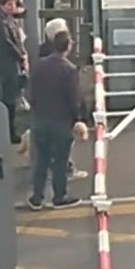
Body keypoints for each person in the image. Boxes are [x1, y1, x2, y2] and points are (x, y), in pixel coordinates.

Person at [27, 31, 85, 210]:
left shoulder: (38, 66)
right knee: (60, 160)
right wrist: (78, 118)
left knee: (41, 160)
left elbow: (29, 93)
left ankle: (37, 197)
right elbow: (74, 98)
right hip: (61, 121)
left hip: (40, 119)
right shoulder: (69, 70)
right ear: (68, 46)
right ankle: (59, 196)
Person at [0, 0, 28, 145]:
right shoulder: (0, 23)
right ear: (1, 6)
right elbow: (7, 43)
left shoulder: (9, 20)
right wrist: (20, 55)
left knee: (13, 97)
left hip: (13, 63)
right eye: (9, 4)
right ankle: (9, 132)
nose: (13, 7)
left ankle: (12, 131)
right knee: (9, 98)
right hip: (7, 64)